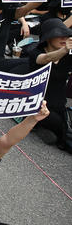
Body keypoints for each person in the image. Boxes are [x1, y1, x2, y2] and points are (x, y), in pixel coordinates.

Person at [27, 17, 72, 151]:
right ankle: (43, 128)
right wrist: (64, 51)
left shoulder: (68, 56)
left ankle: (54, 134)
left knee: (64, 121)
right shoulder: (35, 52)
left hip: (59, 105)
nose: (64, 39)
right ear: (48, 38)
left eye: (66, 36)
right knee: (59, 124)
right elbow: (46, 59)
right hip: (38, 105)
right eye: (59, 36)